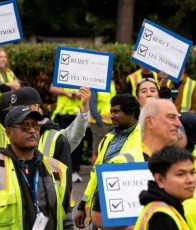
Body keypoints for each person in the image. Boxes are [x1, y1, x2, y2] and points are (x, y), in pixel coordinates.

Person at [0, 42, 90, 168]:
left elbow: (74, 135)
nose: (20, 113)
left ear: (39, 109)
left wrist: (84, 109)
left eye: (31, 107)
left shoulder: (51, 136)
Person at [0, 106, 73, 229]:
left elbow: (66, 218)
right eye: (25, 126)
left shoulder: (56, 169)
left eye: (35, 125)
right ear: (9, 133)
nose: (32, 131)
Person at [75, 94, 143, 229]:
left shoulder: (144, 136)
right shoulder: (108, 138)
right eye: (111, 111)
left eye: (116, 111)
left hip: (129, 211)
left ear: (131, 113)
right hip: (101, 208)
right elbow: (95, 174)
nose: (111, 115)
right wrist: (82, 204)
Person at [135, 146, 194, 230]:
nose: (190, 180)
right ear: (160, 180)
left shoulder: (164, 208)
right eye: (181, 174)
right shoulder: (162, 218)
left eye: (192, 172)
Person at [89, 80, 116, 165]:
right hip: (98, 122)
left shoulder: (111, 83)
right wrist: (98, 119)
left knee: (109, 150)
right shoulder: (95, 82)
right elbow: (92, 103)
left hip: (111, 122)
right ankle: (95, 175)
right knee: (97, 150)